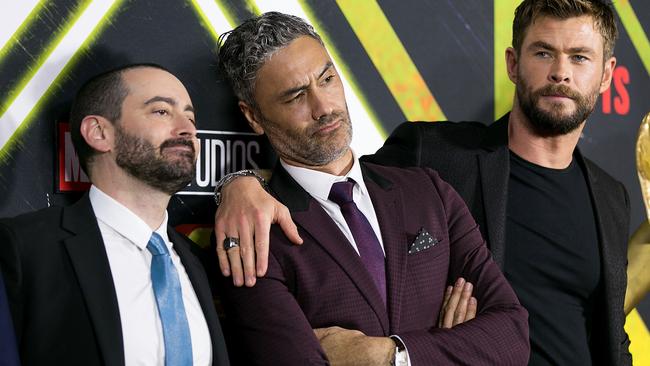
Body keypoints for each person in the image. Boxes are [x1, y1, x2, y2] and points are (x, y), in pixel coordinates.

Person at [214, 0, 631, 365]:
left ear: (607, 73)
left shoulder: (612, 196)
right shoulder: (434, 154)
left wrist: (387, 356)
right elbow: (327, 178)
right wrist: (238, 182)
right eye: (544, 52)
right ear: (512, 62)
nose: (561, 73)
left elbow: (581, 328)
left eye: (580, 57)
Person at [0, 64, 229, 366]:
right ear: (99, 133)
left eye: (191, 117)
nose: (188, 129)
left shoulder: (199, 260)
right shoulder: (23, 248)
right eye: (161, 111)